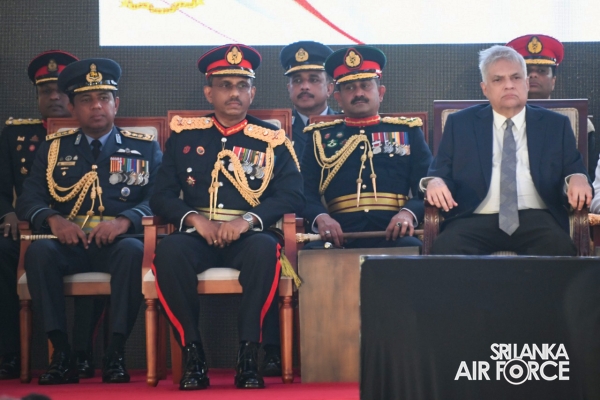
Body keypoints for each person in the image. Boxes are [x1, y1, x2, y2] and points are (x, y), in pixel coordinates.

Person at [150, 44, 304, 391]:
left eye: (242, 85)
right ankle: (192, 354)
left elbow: (292, 194)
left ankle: (248, 356)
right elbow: (160, 196)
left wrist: (245, 221)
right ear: (209, 92)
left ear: (253, 93)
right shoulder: (185, 136)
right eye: (225, 85)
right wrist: (196, 220)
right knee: (169, 252)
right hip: (197, 235)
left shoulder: (272, 140)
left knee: (265, 250)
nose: (234, 93)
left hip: (248, 236)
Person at [16, 58, 162, 384]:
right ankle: (61, 353)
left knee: (132, 253)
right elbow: (29, 198)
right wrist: (54, 219)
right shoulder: (55, 148)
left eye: (104, 98)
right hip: (68, 242)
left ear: (116, 104)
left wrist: (123, 221)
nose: (96, 106)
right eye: (86, 100)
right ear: (72, 107)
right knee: (39, 254)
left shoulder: (143, 147)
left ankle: (115, 353)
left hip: (117, 242)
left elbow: (159, 198)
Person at [425, 45, 591, 255]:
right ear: (485, 88)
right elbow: (439, 172)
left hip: (536, 217)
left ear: (526, 83)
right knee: (446, 248)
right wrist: (435, 181)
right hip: (475, 216)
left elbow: (573, 168)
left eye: (516, 77)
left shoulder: (556, 124)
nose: (509, 85)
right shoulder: (460, 124)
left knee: (560, 248)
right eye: (498, 80)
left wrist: (576, 177)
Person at [0, 50, 99, 380]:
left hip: (83, 227)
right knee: (2, 252)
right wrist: (8, 213)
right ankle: (10, 352)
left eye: (59, 91)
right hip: (29, 228)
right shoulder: (17, 135)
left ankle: (81, 351)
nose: (53, 97)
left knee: (98, 246)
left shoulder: (96, 135)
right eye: (45, 91)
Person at [301, 45, 432, 249]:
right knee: (312, 253)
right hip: (339, 236)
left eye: (365, 85)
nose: (358, 93)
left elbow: (427, 184)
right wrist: (321, 217)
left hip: (394, 233)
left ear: (380, 92)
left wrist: (408, 213)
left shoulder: (408, 131)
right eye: (349, 88)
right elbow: (304, 191)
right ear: (338, 98)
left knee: (412, 249)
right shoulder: (319, 136)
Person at [506, 34, 597, 179]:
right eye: (527, 71)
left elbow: (589, 176)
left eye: (542, 71)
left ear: (553, 81)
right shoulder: (498, 119)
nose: (533, 75)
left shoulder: (580, 124)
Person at [279, 40, 337, 161]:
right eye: (297, 81)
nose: (304, 86)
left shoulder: (344, 125)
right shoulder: (277, 129)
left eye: (314, 80)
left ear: (329, 88)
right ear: (289, 88)